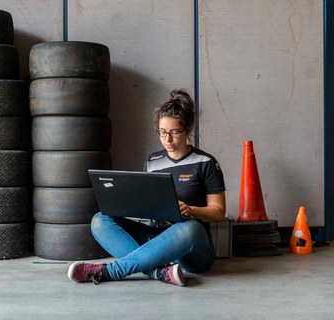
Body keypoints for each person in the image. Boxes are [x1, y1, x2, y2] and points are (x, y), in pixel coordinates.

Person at [67, 89, 226, 286]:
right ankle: (158, 272)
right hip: (156, 238)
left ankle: (112, 271)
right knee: (100, 220)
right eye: (162, 133)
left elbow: (218, 212)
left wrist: (191, 210)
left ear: (188, 128)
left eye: (175, 132)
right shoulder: (152, 161)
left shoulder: (206, 162)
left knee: (189, 229)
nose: (168, 139)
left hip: (190, 247)